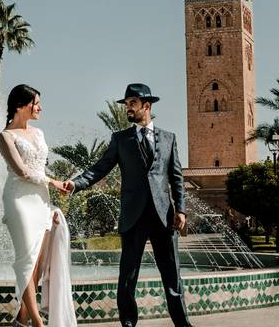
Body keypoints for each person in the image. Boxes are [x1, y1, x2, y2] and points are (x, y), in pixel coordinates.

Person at [62, 83, 192, 327]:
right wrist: (75, 183)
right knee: (128, 277)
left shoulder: (169, 138)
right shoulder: (120, 139)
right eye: (126, 104)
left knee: (173, 276)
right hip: (133, 216)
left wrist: (181, 209)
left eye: (133, 103)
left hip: (163, 217)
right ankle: (128, 324)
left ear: (146, 106)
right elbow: (99, 168)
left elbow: (176, 178)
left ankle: (183, 324)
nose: (128, 108)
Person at [0, 84, 75, 327]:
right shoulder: (5, 136)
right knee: (25, 261)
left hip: (41, 200)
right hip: (19, 201)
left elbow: (39, 168)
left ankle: (21, 319)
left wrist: (50, 199)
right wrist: (54, 182)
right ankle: (38, 323)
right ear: (21, 105)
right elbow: (22, 171)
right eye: (36, 103)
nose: (40, 108)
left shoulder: (39, 133)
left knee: (37, 266)